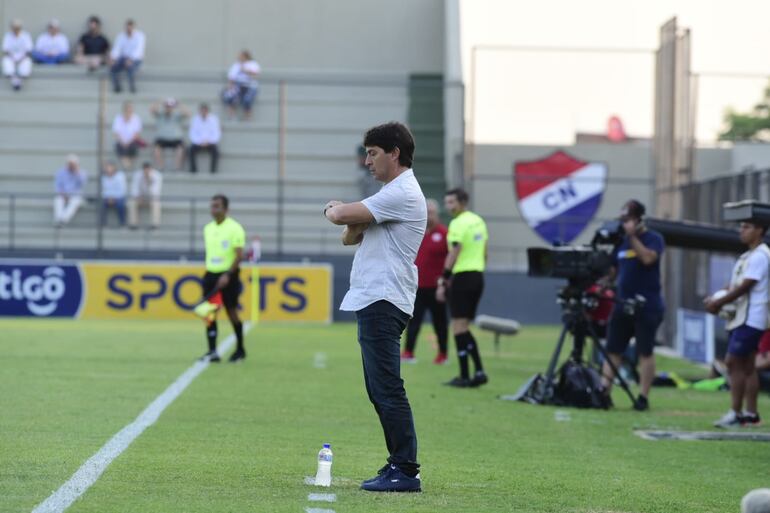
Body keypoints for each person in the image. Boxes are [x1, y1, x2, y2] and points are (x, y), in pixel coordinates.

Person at [323, 122, 425, 493]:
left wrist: (331, 206)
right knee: (379, 388)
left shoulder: (401, 192)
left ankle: (406, 469)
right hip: (376, 297)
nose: (367, 161)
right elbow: (350, 235)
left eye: (373, 153)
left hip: (384, 298)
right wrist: (347, 217)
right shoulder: (389, 195)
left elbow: (339, 218)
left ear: (394, 153)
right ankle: (399, 464)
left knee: (387, 388)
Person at [600, 200, 665, 411]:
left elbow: (648, 259)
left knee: (645, 351)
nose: (624, 224)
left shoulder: (653, 239)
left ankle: (643, 397)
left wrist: (632, 236)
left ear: (639, 220)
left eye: (628, 220)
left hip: (647, 305)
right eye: (623, 220)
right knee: (613, 349)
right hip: (622, 303)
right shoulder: (621, 243)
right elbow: (613, 271)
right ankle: (604, 392)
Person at [705, 220, 769, 428]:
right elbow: (734, 285)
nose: (741, 230)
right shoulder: (747, 256)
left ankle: (736, 414)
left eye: (747, 226)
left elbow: (745, 287)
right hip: (742, 316)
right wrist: (715, 297)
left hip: (752, 317)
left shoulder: (761, 255)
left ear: (759, 230)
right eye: (741, 226)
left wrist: (719, 302)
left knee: (733, 362)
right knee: (748, 366)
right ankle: (751, 415)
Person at [438, 188, 489, 387]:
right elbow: (485, 251)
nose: (448, 206)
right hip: (478, 276)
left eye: (452, 202)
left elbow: (455, 250)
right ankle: (479, 371)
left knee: (458, 327)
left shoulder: (457, 223)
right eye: (447, 202)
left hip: (462, 277)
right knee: (464, 326)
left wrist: (444, 277)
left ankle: (464, 375)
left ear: (462, 202)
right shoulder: (478, 221)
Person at [199, 194, 247, 363]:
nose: (214, 209)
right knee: (210, 313)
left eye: (217, 206)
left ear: (226, 209)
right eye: (212, 206)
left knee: (231, 311)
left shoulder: (235, 228)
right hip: (211, 274)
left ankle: (240, 349)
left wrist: (227, 274)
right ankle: (212, 351)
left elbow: (239, 255)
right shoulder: (207, 228)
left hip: (229, 275)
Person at [403, 198, 449, 364]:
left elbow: (451, 258)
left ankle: (443, 355)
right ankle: (408, 352)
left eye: (431, 212)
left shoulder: (444, 234)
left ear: (437, 213)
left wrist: (445, 281)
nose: (428, 215)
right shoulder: (416, 232)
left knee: (440, 323)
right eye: (426, 212)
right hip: (417, 286)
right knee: (413, 321)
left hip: (437, 287)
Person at [151, 98, 189, 171]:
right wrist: (159, 102)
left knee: (181, 148)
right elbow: (152, 110)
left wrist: (179, 104)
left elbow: (188, 114)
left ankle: (177, 167)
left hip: (175, 139)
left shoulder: (177, 116)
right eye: (167, 107)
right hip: (162, 139)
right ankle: (161, 167)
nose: (169, 108)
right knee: (156, 148)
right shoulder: (160, 115)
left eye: (170, 107)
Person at [222, 50, 260, 119]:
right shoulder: (236, 65)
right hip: (238, 85)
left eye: (241, 56)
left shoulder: (253, 64)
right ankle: (232, 116)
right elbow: (231, 77)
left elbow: (255, 75)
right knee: (228, 96)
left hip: (250, 86)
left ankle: (247, 117)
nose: (239, 57)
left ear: (246, 56)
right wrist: (230, 86)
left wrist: (245, 70)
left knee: (247, 100)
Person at [109, 19, 145, 93]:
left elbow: (138, 50)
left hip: (135, 59)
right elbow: (117, 48)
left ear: (133, 28)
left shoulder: (140, 36)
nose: (129, 30)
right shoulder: (121, 36)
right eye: (127, 28)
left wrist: (131, 59)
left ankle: (132, 87)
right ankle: (117, 87)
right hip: (123, 58)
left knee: (130, 68)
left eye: (130, 28)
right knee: (112, 68)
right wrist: (113, 58)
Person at [53, 154, 87, 227]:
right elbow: (57, 186)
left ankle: (63, 220)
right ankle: (59, 219)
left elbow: (82, 184)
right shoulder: (61, 172)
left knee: (75, 201)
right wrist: (63, 194)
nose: (71, 165)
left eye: (73, 164)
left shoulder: (82, 173)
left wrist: (77, 173)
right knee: (58, 200)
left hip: (76, 195)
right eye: (70, 163)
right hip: (63, 194)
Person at [189, 103, 221, 174]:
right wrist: (200, 141)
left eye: (205, 111)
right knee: (190, 150)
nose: (203, 112)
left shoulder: (214, 119)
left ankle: (213, 171)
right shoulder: (195, 119)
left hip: (210, 142)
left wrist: (209, 141)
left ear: (208, 111)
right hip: (198, 143)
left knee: (216, 151)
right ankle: (193, 170)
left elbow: (216, 133)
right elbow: (192, 133)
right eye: (202, 111)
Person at [128, 162, 162, 229]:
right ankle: (133, 224)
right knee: (131, 203)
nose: (146, 172)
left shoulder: (157, 175)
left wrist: (149, 181)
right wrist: (138, 197)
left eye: (148, 170)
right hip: (140, 198)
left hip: (152, 198)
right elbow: (134, 189)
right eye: (145, 170)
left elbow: (156, 192)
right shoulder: (137, 175)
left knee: (156, 203)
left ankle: (155, 224)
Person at [2, 19, 32, 91]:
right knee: (6, 61)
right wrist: (13, 58)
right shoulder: (7, 36)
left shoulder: (26, 35)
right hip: (11, 57)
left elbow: (28, 51)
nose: (16, 29)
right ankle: (14, 79)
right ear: (12, 28)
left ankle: (19, 80)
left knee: (27, 62)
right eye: (14, 27)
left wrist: (20, 59)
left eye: (17, 27)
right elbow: (5, 50)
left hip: (23, 58)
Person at [112, 101, 143, 170]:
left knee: (134, 146)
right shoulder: (118, 118)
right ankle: (127, 164)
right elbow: (116, 133)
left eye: (130, 109)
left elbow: (137, 134)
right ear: (124, 110)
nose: (129, 111)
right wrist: (123, 142)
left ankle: (129, 164)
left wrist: (128, 142)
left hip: (132, 141)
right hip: (121, 142)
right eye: (127, 109)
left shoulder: (136, 118)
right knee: (119, 146)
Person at [100, 161, 127, 227]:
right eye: (107, 168)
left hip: (119, 197)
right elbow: (103, 191)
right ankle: (103, 224)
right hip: (107, 197)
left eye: (110, 167)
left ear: (114, 168)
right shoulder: (103, 177)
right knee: (101, 204)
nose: (108, 169)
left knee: (120, 205)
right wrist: (109, 198)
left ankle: (122, 223)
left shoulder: (120, 176)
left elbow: (122, 190)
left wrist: (114, 198)